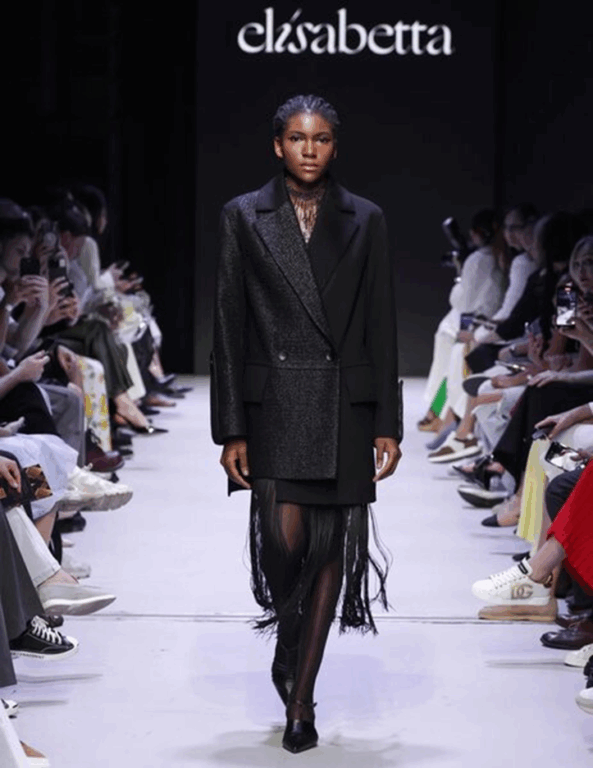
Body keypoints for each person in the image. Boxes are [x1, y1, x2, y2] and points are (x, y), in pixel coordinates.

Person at [210, 94, 403, 754]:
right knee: (283, 545)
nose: (309, 149)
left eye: (320, 139)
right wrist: (231, 429)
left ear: (334, 146)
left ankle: (301, 699)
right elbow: (228, 326)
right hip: (276, 407)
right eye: (297, 138)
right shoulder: (243, 215)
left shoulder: (365, 218)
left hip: (344, 403)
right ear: (278, 145)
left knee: (329, 553)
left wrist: (387, 422)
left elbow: (381, 322)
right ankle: (288, 638)